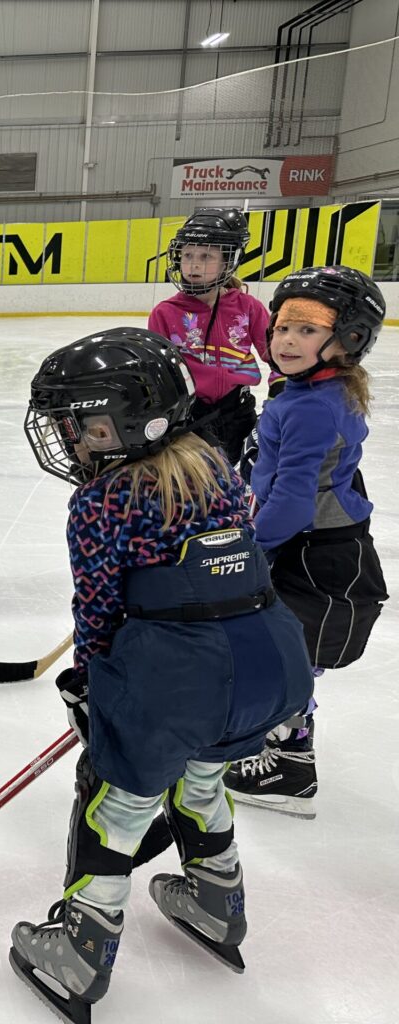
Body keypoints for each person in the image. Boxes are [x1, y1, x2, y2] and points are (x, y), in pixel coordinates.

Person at [9, 328, 313, 1023]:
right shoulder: (211, 463)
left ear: (119, 424)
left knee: (115, 803)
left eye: (75, 424)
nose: (67, 439)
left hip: (183, 683)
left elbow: (99, 612)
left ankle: (81, 950)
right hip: (272, 667)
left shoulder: (100, 503)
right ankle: (216, 901)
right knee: (201, 778)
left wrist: (92, 687)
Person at [225, 266, 389, 819]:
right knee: (280, 654)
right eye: (281, 328)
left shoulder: (312, 408)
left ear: (349, 340)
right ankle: (278, 749)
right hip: (310, 542)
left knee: (283, 658)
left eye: (308, 330)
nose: (286, 340)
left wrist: (248, 545)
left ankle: (290, 766)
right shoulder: (311, 394)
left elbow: (295, 502)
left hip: (313, 553)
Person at [148, 208, 274, 465]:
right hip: (188, 418)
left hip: (239, 412)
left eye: (206, 256)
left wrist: (282, 392)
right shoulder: (165, 313)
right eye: (187, 255)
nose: (193, 264)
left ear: (227, 262)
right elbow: (157, 375)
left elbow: (280, 355)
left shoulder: (248, 307)